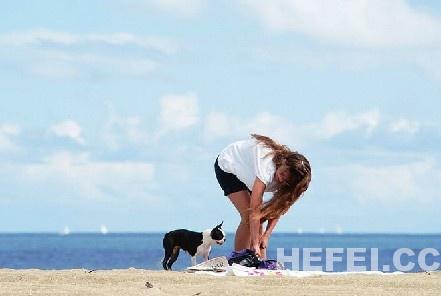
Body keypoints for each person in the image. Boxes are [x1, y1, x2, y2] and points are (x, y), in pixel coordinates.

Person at [214, 134, 311, 259]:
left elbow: (278, 208)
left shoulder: (292, 184)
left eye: (286, 181)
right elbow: (254, 211)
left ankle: (260, 261)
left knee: (260, 220)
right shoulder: (267, 167)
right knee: (248, 218)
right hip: (228, 165)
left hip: (247, 173)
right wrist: (255, 244)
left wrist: (266, 235)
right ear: (283, 162)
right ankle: (238, 259)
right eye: (282, 174)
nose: (281, 180)